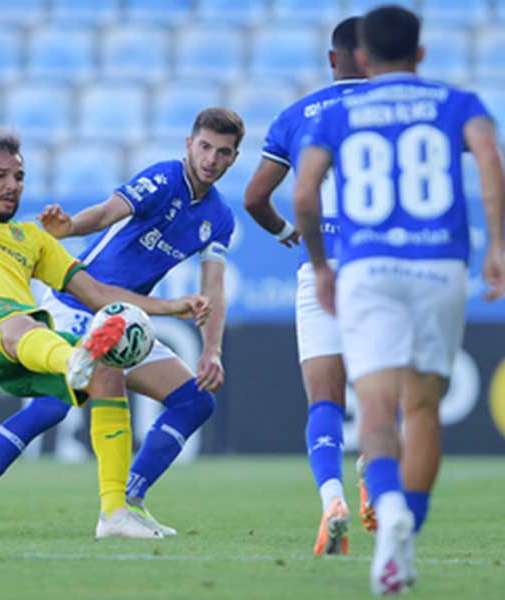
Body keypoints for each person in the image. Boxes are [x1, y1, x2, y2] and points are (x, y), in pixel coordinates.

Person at [0, 108, 242, 538]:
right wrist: (71, 227)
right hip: (78, 307)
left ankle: (127, 503)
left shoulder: (220, 218)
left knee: (195, 401)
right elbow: (103, 215)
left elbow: (213, 291)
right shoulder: (163, 179)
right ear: (189, 145)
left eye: (222, 152)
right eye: (205, 147)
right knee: (58, 400)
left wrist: (212, 350)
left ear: (234, 158)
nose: (211, 159)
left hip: (126, 316)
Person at [294, 5, 505, 595]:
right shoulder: (458, 103)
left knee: (377, 409)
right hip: (439, 265)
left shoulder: (340, 111)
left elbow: (304, 193)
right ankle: (405, 524)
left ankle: (386, 512)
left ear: (361, 58)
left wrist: (317, 263)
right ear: (422, 53)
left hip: (367, 269)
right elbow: (489, 158)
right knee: (422, 411)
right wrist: (498, 246)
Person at [244, 17, 369, 555]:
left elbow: (254, 197)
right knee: (388, 393)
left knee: (324, 400)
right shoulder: (402, 108)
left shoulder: (297, 116)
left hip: (320, 268)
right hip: (382, 269)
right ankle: (376, 482)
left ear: (332, 58)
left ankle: (332, 501)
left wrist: (286, 233)